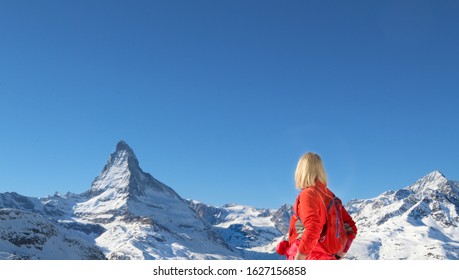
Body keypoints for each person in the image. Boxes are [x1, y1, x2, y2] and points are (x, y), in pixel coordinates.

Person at [280, 152, 357, 260]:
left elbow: (313, 227)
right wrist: (339, 255)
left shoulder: (308, 194)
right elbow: (351, 228)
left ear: (300, 171)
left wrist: (299, 258)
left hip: (310, 256)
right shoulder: (331, 197)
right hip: (326, 256)